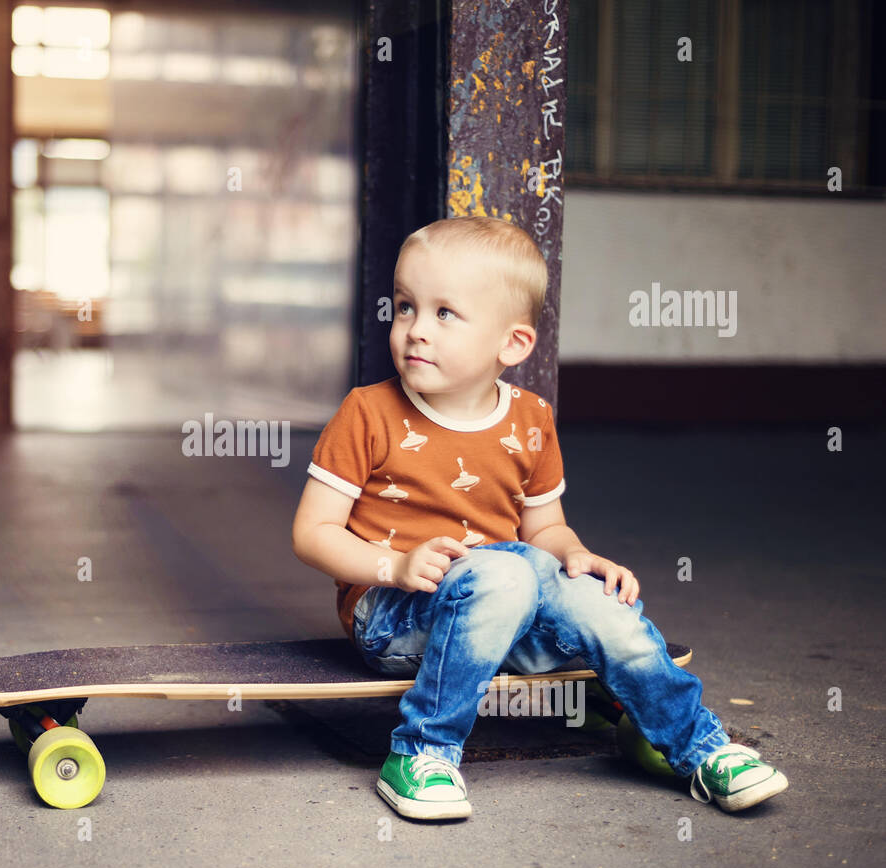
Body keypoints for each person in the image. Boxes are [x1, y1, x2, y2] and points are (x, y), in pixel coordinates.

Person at [290, 216, 787, 820]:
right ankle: (422, 752)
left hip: (507, 602)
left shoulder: (530, 419)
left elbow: (544, 531)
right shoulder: (368, 412)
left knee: (597, 598)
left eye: (445, 314)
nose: (416, 330)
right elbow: (312, 533)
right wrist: (393, 565)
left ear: (513, 344)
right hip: (394, 614)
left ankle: (701, 748)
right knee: (510, 571)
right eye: (404, 307)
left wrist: (576, 557)